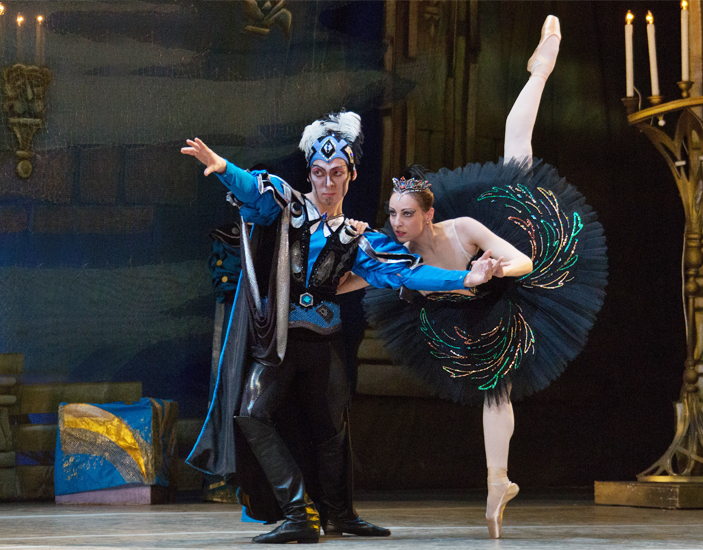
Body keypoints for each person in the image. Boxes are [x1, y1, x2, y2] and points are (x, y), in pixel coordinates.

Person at [339, 15, 607, 539]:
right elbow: (367, 278)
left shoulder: (462, 226)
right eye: (391, 214)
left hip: (514, 264)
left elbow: (524, 262)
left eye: (405, 215)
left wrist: (490, 269)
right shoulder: (395, 248)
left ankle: (541, 68)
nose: (396, 223)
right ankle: (498, 482)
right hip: (466, 305)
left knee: (516, 145)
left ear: (427, 215)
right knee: (493, 387)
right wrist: (329, 284)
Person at [181, 112, 502, 544]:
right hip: (279, 342)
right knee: (251, 414)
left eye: (336, 173)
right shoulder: (287, 205)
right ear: (309, 173)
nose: (327, 183)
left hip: (324, 342)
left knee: (332, 430)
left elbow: (408, 273)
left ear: (350, 175)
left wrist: (466, 278)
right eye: (319, 172)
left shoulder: (359, 236)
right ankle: (299, 512)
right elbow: (253, 189)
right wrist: (223, 167)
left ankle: (340, 513)